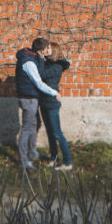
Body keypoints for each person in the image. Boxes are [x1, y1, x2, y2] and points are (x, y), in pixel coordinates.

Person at [15, 38, 62, 171]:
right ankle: (24, 161)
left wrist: (41, 59)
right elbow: (39, 82)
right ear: (40, 51)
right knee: (26, 128)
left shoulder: (34, 58)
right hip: (28, 98)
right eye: (47, 48)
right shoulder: (29, 62)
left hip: (32, 98)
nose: (50, 50)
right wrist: (54, 93)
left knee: (36, 124)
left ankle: (32, 152)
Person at [39, 42, 72, 171]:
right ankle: (54, 158)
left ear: (55, 51)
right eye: (45, 48)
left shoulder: (57, 66)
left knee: (57, 133)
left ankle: (67, 162)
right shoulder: (48, 63)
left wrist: (41, 60)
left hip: (52, 103)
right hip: (43, 101)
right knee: (50, 133)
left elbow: (41, 75)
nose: (45, 50)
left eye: (48, 49)